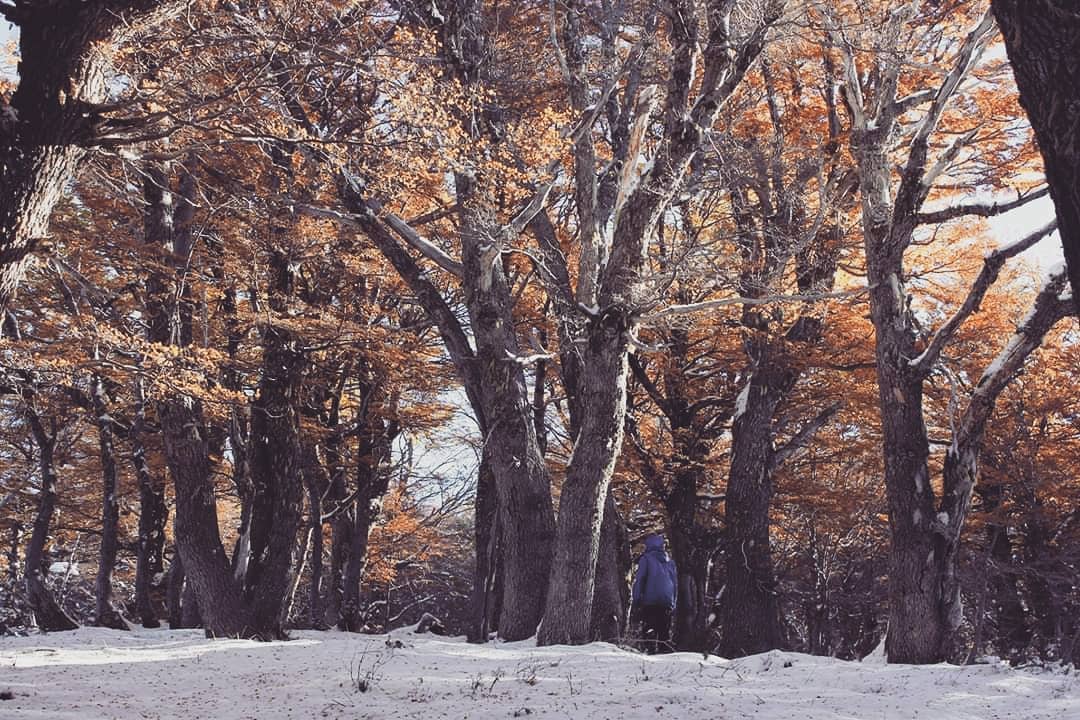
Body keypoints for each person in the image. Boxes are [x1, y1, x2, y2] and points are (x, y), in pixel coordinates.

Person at [631, 533, 677, 654]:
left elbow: (640, 580)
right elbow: (675, 584)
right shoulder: (670, 562)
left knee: (649, 630)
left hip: (650, 601)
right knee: (664, 633)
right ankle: (664, 656)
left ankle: (648, 655)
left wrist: (636, 600)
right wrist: (674, 603)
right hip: (667, 601)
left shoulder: (646, 559)